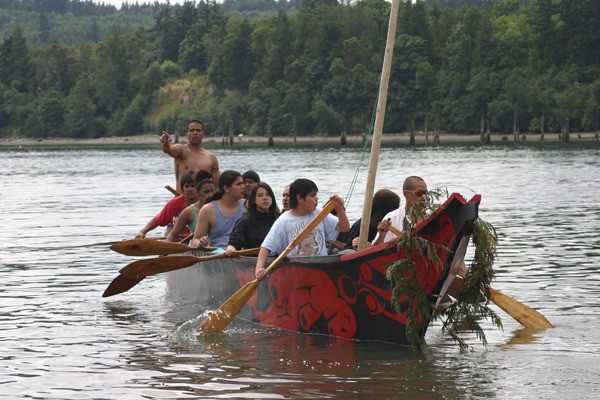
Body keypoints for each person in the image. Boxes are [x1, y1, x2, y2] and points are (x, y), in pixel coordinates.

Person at [255, 178, 349, 280]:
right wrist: (259, 268)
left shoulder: (319, 213)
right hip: (296, 273)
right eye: (313, 196)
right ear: (300, 198)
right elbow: (266, 247)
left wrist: (339, 209)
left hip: (321, 270)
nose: (317, 199)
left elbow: (344, 227)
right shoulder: (284, 221)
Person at [135, 172, 198, 240]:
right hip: (174, 240)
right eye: (186, 186)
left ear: (199, 188)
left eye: (193, 186)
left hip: (197, 240)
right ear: (182, 188)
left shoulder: (205, 205)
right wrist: (142, 232)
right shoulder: (173, 203)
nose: (189, 189)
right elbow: (158, 220)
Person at [160, 119, 220, 192]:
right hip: (182, 198)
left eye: (198, 130)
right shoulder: (181, 150)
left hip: (203, 201)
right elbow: (168, 150)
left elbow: (217, 186)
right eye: (191, 130)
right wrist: (165, 143)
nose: (195, 133)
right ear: (187, 134)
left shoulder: (211, 157)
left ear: (203, 134)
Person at [191, 170, 245, 248]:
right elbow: (195, 239)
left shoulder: (246, 206)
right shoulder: (208, 209)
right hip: (218, 253)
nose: (243, 187)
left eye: (243, 183)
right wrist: (201, 242)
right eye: (239, 184)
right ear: (226, 188)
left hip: (241, 252)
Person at [225, 182, 281, 256]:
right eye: (260, 195)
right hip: (253, 262)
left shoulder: (280, 219)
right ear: (253, 200)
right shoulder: (245, 221)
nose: (265, 198)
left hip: (278, 261)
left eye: (268, 195)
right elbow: (234, 243)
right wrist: (230, 250)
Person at [371, 176, 428, 246]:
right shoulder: (392, 218)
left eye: (426, 193)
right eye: (419, 193)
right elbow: (376, 250)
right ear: (406, 194)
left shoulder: (433, 216)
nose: (424, 197)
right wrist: (382, 235)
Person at [165, 171, 216, 242]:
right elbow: (173, 235)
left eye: (212, 191)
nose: (211, 195)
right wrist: (163, 252)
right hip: (197, 250)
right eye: (206, 192)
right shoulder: (188, 212)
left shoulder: (221, 207)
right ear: (197, 192)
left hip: (219, 249)